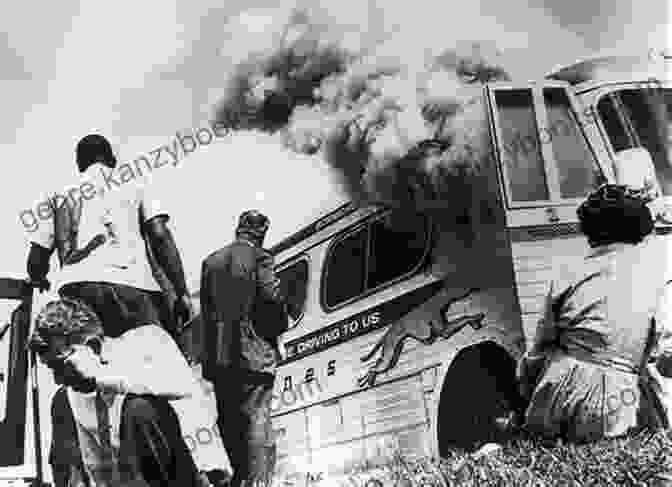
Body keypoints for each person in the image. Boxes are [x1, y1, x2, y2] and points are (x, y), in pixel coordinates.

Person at [518, 184, 672, 442]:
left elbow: (539, 349)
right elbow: (667, 356)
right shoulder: (656, 271)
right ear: (641, 228)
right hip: (614, 400)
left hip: (554, 393)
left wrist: (527, 393)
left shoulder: (566, 272)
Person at [25, 133, 193, 340]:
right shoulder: (138, 180)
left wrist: (38, 278)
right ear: (112, 161)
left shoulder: (59, 193)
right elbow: (159, 234)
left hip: (77, 289)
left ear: (80, 164)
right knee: (145, 360)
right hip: (133, 287)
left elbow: (37, 258)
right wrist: (181, 291)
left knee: (88, 364)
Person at [29, 298, 204, 487]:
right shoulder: (66, 400)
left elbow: (184, 388)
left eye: (60, 366)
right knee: (61, 402)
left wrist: (100, 378)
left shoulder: (147, 344)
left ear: (94, 346)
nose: (57, 379)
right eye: (51, 368)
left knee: (140, 409)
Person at [200, 210, 289, 487]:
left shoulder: (210, 262)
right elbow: (272, 302)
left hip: (220, 360)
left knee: (230, 424)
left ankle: (238, 481)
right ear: (261, 233)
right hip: (253, 355)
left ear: (238, 230)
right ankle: (259, 483)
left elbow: (207, 311)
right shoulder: (261, 257)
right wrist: (277, 336)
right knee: (257, 420)